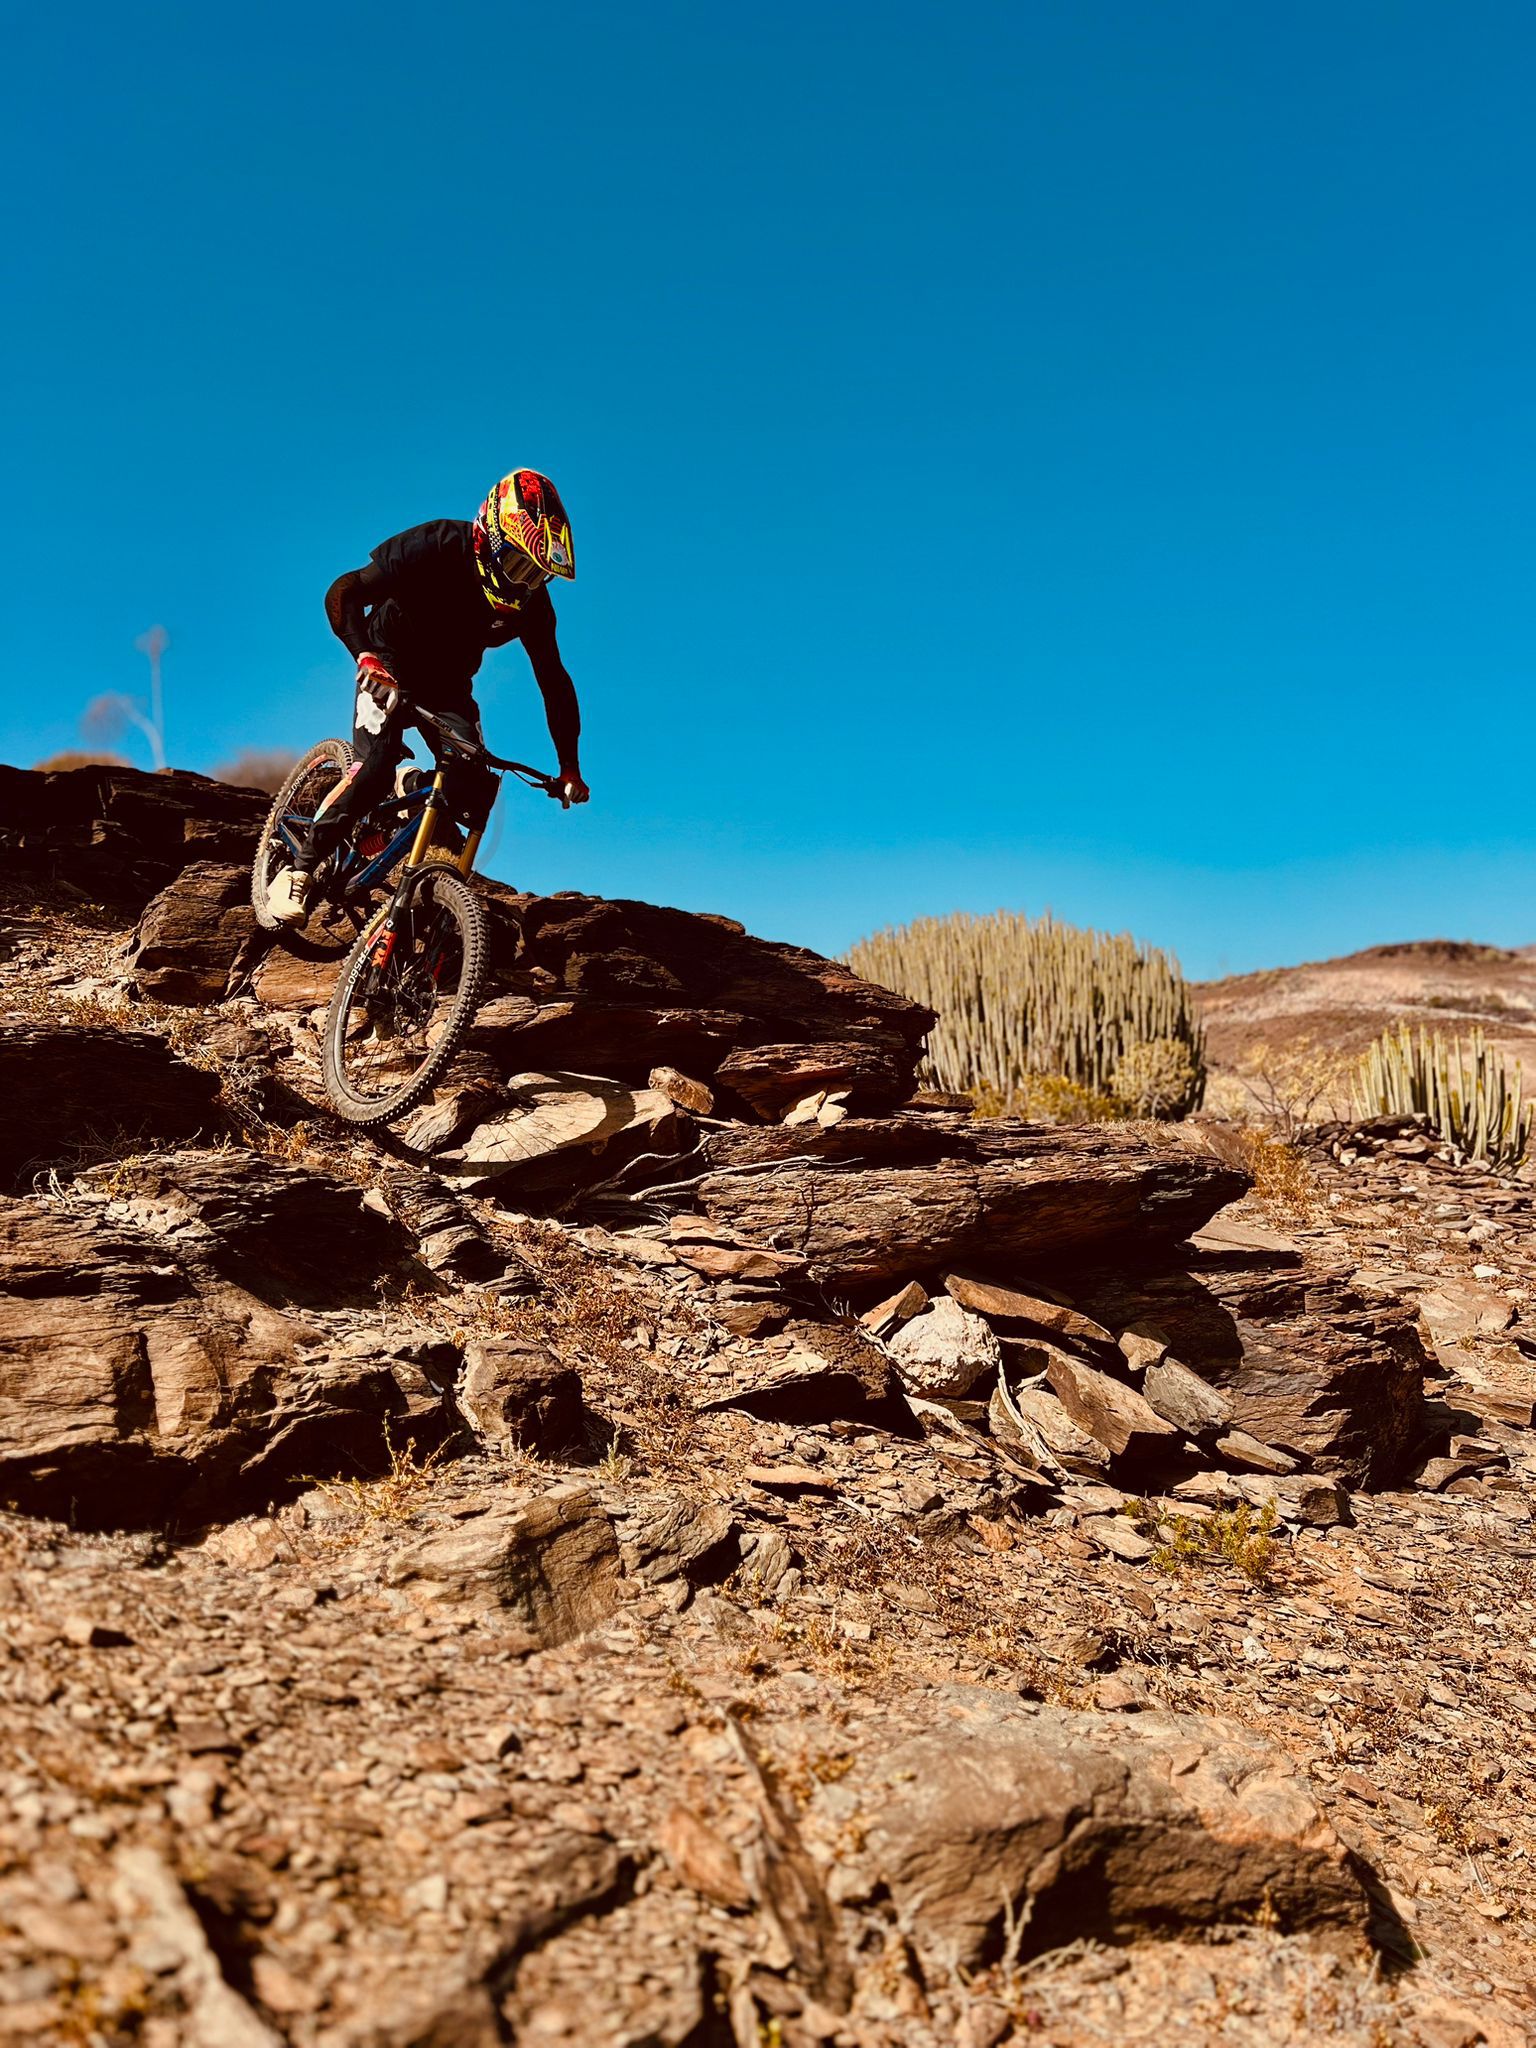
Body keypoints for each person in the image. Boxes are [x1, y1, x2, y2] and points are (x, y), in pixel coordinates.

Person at [267, 466, 590, 923]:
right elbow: (343, 591)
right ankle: (296, 869)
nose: (525, 586)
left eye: (538, 576)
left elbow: (554, 681)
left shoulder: (532, 603)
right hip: (389, 661)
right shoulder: (436, 545)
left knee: (473, 780)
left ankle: (412, 815)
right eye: (520, 567)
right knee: (375, 769)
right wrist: (365, 658)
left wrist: (569, 766)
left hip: (448, 686)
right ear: (490, 541)